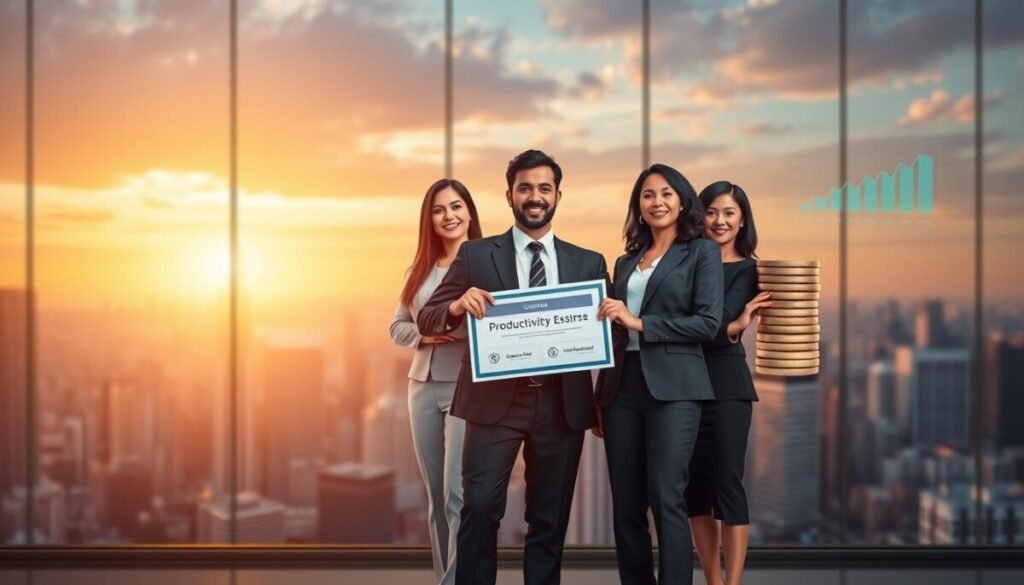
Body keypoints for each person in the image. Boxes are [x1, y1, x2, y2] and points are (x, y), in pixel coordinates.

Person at [418, 149, 609, 585]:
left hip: (562, 406)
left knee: (549, 521)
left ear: (559, 194)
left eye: (544, 188)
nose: (535, 196)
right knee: (480, 507)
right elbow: (427, 317)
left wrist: (603, 401)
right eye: (525, 188)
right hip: (493, 403)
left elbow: (610, 339)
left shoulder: (589, 263)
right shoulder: (476, 254)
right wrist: (454, 306)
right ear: (509, 195)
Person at [595, 163, 723, 585]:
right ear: (638, 206)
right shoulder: (626, 260)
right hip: (622, 389)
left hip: (675, 389)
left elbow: (707, 323)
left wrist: (641, 323)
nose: (657, 202)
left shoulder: (701, 252)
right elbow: (613, 332)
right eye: (648, 195)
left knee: (667, 496)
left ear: (682, 199)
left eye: (666, 193)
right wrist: (600, 395)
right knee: (626, 504)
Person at [390, 178, 482, 585]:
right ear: (429, 218)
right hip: (421, 386)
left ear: (470, 212)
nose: (450, 216)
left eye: (457, 206)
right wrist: (423, 334)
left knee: (456, 496)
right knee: (434, 500)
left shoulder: (486, 264)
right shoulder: (418, 270)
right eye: (440, 209)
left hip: (465, 384)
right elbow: (396, 327)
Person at [685, 181, 770, 585]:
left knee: (728, 483)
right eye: (712, 212)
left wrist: (730, 326)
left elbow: (712, 324)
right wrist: (730, 327)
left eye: (729, 213)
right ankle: (713, 580)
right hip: (683, 383)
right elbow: (711, 324)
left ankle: (731, 584)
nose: (719, 221)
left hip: (727, 387)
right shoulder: (684, 262)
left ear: (742, 221)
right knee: (694, 491)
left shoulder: (748, 268)